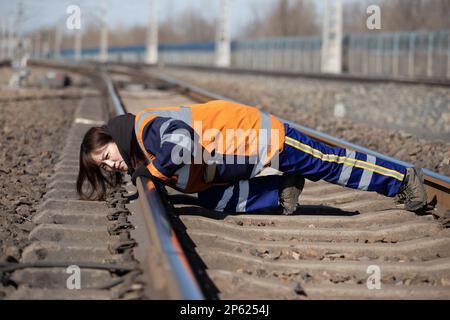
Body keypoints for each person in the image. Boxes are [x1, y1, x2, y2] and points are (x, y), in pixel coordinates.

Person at [77, 100, 428, 214]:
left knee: (328, 163)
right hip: (238, 160)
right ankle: (281, 191)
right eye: (104, 166)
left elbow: (181, 141)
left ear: (115, 138)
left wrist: (152, 170)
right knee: (213, 198)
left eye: (107, 155)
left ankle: (402, 178)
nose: (112, 165)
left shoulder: (148, 130)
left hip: (261, 138)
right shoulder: (142, 152)